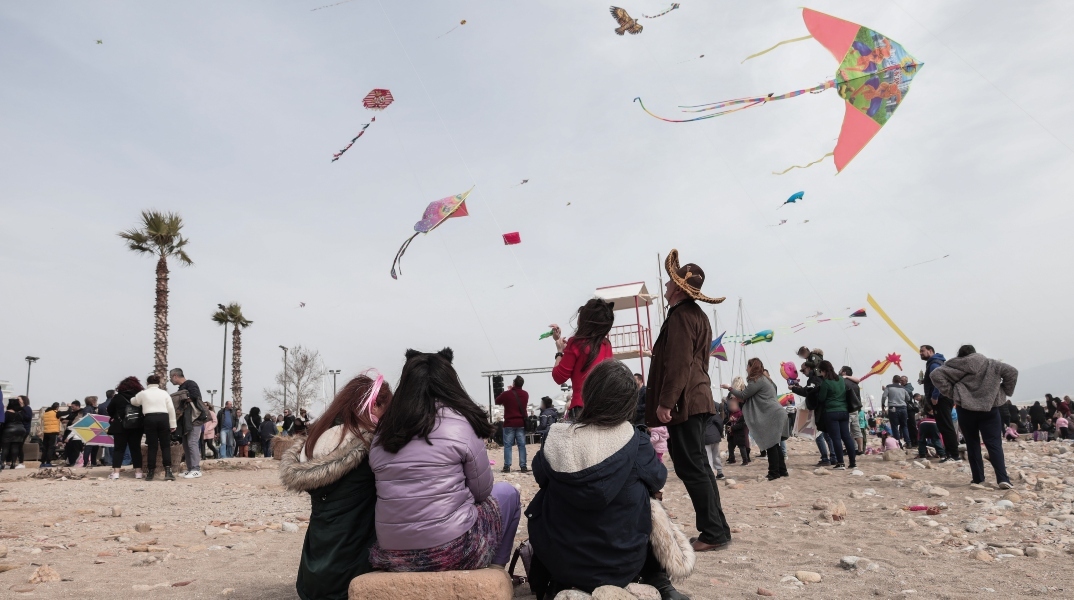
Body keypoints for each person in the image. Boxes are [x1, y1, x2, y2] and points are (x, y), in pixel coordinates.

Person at [525, 360, 690, 600]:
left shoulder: (557, 438)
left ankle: (554, 583)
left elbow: (541, 476)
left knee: (550, 490)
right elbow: (658, 478)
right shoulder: (635, 441)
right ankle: (659, 580)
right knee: (650, 498)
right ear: (629, 402)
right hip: (623, 563)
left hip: (561, 563)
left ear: (589, 393)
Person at [368, 347, 521, 573]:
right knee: (509, 493)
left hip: (392, 556)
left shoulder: (383, 432)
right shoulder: (461, 423)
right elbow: (482, 492)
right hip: (454, 552)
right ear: (450, 382)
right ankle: (496, 572)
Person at [645, 250, 731, 552]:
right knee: (700, 468)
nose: (666, 287)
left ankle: (713, 532)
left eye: (670, 283)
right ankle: (717, 529)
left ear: (680, 289)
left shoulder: (681, 316)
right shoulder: (698, 315)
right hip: (698, 397)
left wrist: (666, 402)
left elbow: (679, 363)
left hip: (686, 401)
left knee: (692, 468)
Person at [280, 372, 393, 600]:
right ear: (374, 406)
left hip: (311, 581)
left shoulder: (317, 441)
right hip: (352, 579)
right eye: (386, 409)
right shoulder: (369, 447)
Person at [929, 345, 1016, 489]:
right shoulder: (992, 363)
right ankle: (1002, 478)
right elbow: (1012, 372)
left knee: (972, 443)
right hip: (990, 409)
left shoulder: (955, 365)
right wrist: (1004, 391)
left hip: (965, 408)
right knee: (994, 443)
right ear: (975, 353)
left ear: (961, 355)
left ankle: (977, 478)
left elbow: (935, 375)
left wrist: (952, 393)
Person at [723, 358, 788, 480]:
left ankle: (773, 472)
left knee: (770, 444)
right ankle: (782, 470)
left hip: (772, 414)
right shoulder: (766, 379)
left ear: (752, 367)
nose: (746, 369)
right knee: (775, 444)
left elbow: (743, 395)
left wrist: (729, 388)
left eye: (748, 366)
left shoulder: (756, 380)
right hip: (777, 413)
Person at [550, 299, 615, 419]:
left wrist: (559, 352)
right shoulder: (606, 345)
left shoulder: (575, 343)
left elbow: (559, 377)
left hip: (581, 408)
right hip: (604, 408)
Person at [812, 361, 858, 470]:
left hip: (831, 412)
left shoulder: (826, 383)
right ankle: (853, 462)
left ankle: (840, 463)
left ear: (823, 370)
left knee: (836, 438)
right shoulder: (841, 380)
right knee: (846, 437)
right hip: (844, 411)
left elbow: (822, 398)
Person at [132, 374, 177, 481]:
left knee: (152, 446)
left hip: (149, 418)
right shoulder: (164, 393)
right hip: (163, 418)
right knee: (165, 446)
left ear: (147, 383)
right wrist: (173, 424)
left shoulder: (143, 394)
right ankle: (168, 471)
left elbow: (134, 401)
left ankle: (150, 472)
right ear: (159, 383)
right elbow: (171, 408)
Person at [921, 345, 960, 461]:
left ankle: (953, 454)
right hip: (944, 397)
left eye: (923, 351)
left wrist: (934, 396)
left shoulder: (934, 364)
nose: (921, 353)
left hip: (941, 398)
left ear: (930, 351)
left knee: (946, 427)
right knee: (945, 427)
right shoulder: (938, 362)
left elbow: (939, 380)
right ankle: (950, 453)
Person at [790, 361, 832, 466]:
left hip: (819, 409)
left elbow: (808, 392)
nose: (803, 372)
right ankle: (833, 457)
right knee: (826, 434)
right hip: (821, 408)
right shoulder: (815, 378)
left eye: (803, 370)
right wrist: (798, 387)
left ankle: (826, 458)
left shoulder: (815, 378)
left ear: (809, 368)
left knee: (819, 435)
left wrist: (794, 389)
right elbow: (808, 390)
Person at [170, 368, 207, 479]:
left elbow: (196, 396)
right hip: (186, 421)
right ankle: (190, 468)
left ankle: (196, 469)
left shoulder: (190, 384)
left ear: (175, 376)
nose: (170, 380)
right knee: (186, 444)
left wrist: (185, 399)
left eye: (170, 377)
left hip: (195, 419)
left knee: (192, 443)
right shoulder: (181, 387)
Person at [107, 376, 145, 480]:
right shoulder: (139, 396)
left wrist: (117, 415)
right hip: (136, 426)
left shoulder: (118, 397)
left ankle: (116, 473)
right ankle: (138, 472)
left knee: (118, 449)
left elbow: (109, 410)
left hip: (120, 426)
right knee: (136, 449)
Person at [495, 376, 529, 473]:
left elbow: (497, 401)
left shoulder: (507, 394)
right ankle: (523, 466)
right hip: (521, 423)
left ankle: (507, 466)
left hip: (509, 423)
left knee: (508, 445)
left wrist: (508, 391)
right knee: (522, 445)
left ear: (514, 383)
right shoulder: (526, 394)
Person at [881, 376, 911, 448]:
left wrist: (883, 405)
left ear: (892, 380)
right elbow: (908, 398)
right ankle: (908, 442)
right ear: (899, 381)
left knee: (894, 426)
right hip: (903, 408)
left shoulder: (888, 387)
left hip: (893, 408)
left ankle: (898, 443)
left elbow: (884, 396)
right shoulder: (903, 388)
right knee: (904, 426)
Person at [840, 367, 863, 455]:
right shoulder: (855, 383)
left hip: (846, 408)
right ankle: (860, 449)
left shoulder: (842, 381)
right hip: (855, 408)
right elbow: (858, 380)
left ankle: (848, 449)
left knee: (846, 430)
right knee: (856, 429)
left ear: (844, 372)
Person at [2, 398, 27, 470]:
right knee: (15, 447)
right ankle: (13, 463)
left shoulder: (7, 413)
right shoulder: (19, 414)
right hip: (20, 431)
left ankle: (1, 462)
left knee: (5, 448)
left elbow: (3, 423)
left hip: (9, 430)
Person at [703, 400, 724, 480]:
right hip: (715, 438)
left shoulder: (701, 415)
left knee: (709, 457)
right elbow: (720, 423)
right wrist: (720, 433)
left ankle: (711, 474)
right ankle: (720, 472)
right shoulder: (714, 414)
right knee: (716, 455)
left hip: (705, 438)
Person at [725, 399, 749, 466]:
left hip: (739, 434)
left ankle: (745, 461)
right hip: (731, 434)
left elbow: (742, 424)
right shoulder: (729, 413)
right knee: (730, 447)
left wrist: (732, 428)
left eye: (732, 406)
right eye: (730, 406)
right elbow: (725, 421)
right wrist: (729, 420)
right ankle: (732, 459)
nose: (731, 407)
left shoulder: (741, 414)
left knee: (742, 447)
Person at [41, 403, 61, 467]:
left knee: (45, 448)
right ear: (57, 407)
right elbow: (67, 412)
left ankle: (42, 463)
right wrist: (69, 408)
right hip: (53, 432)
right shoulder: (56, 412)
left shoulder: (46, 413)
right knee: (51, 447)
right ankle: (48, 462)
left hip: (46, 432)